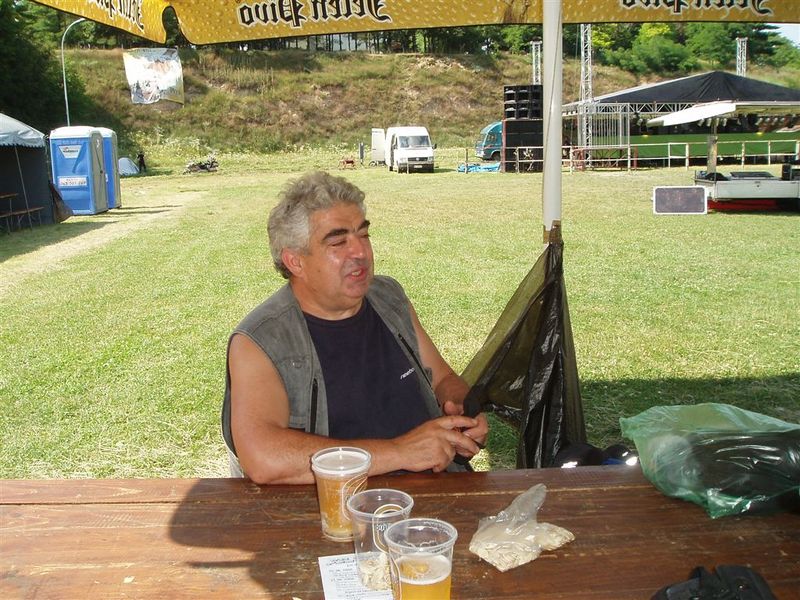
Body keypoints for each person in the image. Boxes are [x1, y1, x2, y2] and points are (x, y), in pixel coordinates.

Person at [222, 171, 488, 484]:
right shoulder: (261, 340)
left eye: (363, 235)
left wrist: (463, 411)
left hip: (432, 491)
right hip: (335, 502)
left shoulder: (388, 298)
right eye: (338, 242)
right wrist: (400, 452)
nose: (360, 252)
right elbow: (263, 457)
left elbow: (442, 378)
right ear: (295, 262)